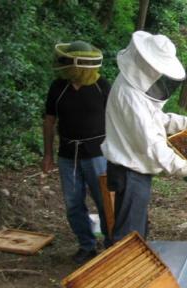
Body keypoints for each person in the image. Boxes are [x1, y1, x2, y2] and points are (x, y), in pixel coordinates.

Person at [101, 31, 187, 245]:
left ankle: (129, 270)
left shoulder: (136, 88)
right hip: (130, 171)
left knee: (135, 228)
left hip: (134, 169)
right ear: (146, 63)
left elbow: (155, 118)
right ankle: (124, 274)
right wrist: (184, 169)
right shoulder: (130, 95)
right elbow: (151, 143)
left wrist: (185, 123)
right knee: (128, 235)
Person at [43, 40, 111, 264]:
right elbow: (49, 121)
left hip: (98, 155)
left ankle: (112, 245)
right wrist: (48, 155)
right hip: (67, 155)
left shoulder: (102, 86)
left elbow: (116, 120)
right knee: (73, 203)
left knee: (104, 202)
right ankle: (86, 245)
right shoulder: (58, 87)